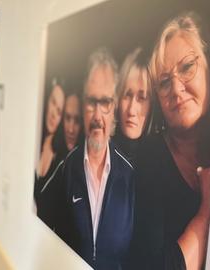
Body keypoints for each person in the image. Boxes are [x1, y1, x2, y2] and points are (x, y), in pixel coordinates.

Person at [127, 13, 210, 270]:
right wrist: (208, 208)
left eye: (187, 67)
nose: (176, 89)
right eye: (164, 82)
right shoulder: (150, 157)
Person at [47, 48, 134, 270]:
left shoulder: (130, 174)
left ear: (114, 107)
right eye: (91, 101)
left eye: (105, 102)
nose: (97, 115)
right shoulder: (65, 168)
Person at [33, 83, 66, 224]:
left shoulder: (60, 161)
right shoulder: (31, 139)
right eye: (53, 102)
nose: (53, 114)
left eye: (59, 112)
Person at [114, 48, 153, 164]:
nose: (131, 110)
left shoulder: (159, 164)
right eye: (127, 95)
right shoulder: (101, 156)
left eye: (142, 98)